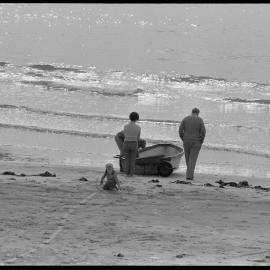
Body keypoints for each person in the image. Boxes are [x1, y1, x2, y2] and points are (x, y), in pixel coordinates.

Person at [179, 107, 206, 180]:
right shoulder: (200, 120)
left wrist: (183, 138)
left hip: (186, 140)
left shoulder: (185, 119)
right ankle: (189, 176)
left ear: (192, 112)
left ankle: (189, 174)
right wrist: (201, 140)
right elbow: (203, 132)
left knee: (188, 158)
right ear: (198, 113)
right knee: (192, 159)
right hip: (196, 141)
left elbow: (180, 130)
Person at [123, 112, 141, 177]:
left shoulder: (125, 126)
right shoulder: (138, 127)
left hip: (126, 143)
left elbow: (125, 135)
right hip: (134, 143)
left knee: (127, 160)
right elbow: (138, 138)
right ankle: (131, 174)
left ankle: (126, 173)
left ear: (130, 117)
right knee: (132, 160)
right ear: (137, 118)